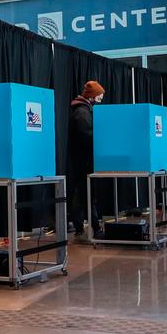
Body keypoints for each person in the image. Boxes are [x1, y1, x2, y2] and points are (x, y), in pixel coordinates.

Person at [67, 81, 105, 242]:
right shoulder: (82, 113)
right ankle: (95, 228)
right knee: (88, 194)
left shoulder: (82, 110)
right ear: (93, 96)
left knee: (81, 192)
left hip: (80, 159)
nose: (102, 98)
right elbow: (86, 135)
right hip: (84, 160)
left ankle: (79, 226)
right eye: (100, 96)